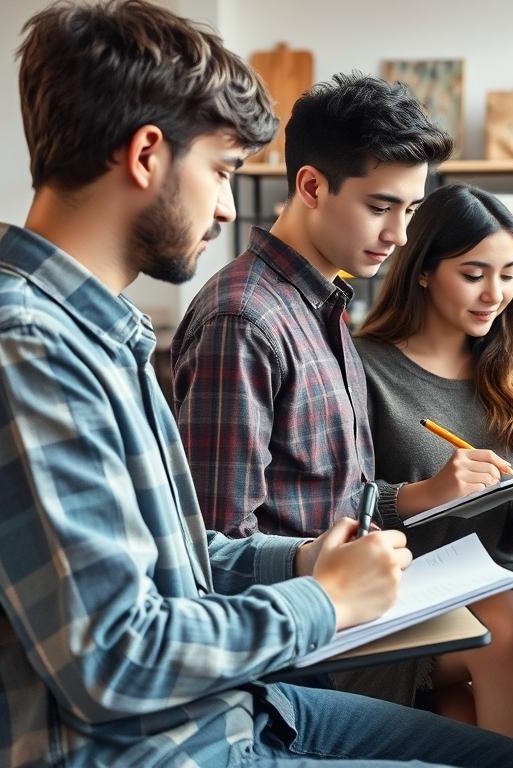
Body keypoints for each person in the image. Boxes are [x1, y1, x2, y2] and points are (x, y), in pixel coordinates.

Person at [0, 3, 513, 766]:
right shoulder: (25, 353)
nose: (232, 205)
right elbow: (115, 658)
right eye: (223, 171)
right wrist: (325, 600)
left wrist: (303, 563)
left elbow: (182, 554)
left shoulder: (92, 334)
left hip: (215, 710)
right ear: (145, 156)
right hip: (146, 747)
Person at [353, 183, 513, 766]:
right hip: (403, 588)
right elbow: (339, 502)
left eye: (509, 275)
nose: (495, 294)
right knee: (457, 710)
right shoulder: (363, 365)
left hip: (503, 578)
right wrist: (429, 493)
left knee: (498, 634)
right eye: (474, 273)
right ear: (425, 270)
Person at [171, 72, 450, 541]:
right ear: (312, 187)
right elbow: (217, 543)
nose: (399, 236)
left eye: (411, 211)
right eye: (381, 208)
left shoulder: (322, 303)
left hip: (356, 600)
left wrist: (426, 493)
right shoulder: (243, 322)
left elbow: (331, 500)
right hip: (306, 610)